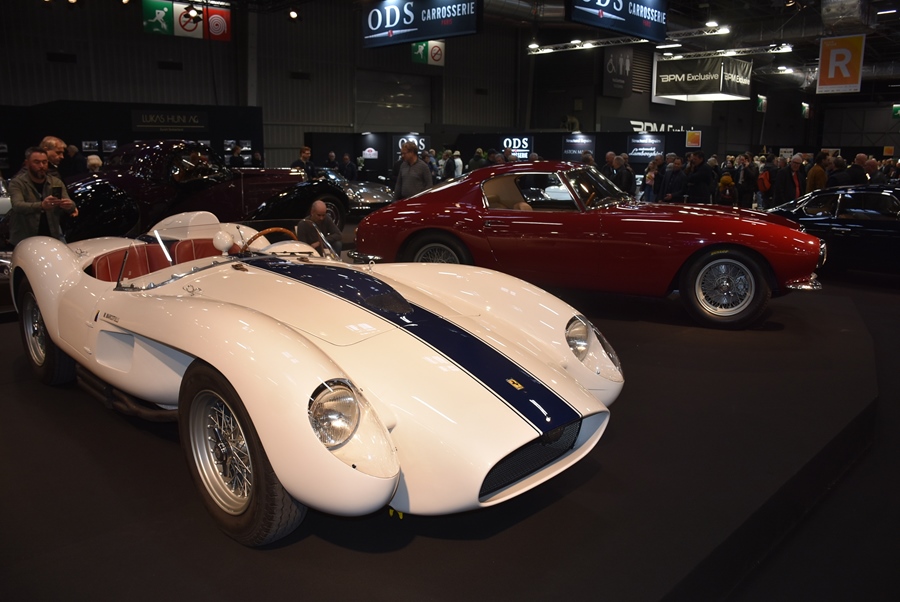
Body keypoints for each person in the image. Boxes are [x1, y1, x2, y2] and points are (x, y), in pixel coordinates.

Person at [8, 146, 77, 246]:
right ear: (27, 163)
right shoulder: (17, 183)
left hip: (51, 237)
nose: (41, 166)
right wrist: (42, 206)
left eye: (44, 162)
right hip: (25, 238)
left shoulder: (55, 182)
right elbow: (17, 205)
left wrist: (68, 205)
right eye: (37, 162)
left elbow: (71, 205)